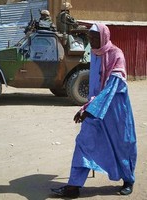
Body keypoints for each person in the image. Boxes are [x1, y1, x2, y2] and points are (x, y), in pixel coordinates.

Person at [51, 23, 137, 198]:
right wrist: (86, 108)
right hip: (95, 108)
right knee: (84, 142)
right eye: (89, 37)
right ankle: (73, 187)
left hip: (116, 110)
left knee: (123, 144)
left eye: (93, 37)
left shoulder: (116, 55)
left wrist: (91, 110)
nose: (90, 40)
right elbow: (95, 88)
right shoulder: (95, 55)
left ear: (104, 36)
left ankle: (128, 180)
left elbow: (112, 86)